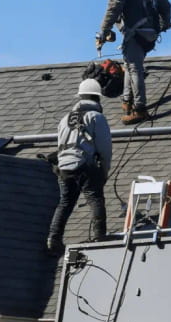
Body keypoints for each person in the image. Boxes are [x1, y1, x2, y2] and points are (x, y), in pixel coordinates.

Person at [47, 80, 113, 256]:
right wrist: (104, 172)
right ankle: (100, 237)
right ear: (97, 98)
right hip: (84, 164)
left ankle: (54, 239)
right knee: (95, 199)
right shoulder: (95, 117)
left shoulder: (64, 120)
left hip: (64, 168)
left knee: (65, 202)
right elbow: (105, 149)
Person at [97, 0, 171, 125]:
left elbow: (113, 8)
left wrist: (103, 32)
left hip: (136, 33)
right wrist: (165, 22)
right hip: (150, 34)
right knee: (129, 66)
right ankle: (127, 102)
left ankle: (139, 109)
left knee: (134, 69)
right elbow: (165, 4)